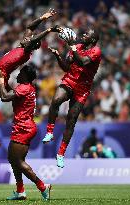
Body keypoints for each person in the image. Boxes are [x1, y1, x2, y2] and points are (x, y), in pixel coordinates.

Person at [0, 8, 59, 156]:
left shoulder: (26, 52)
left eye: (30, 40)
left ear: (32, 46)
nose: (27, 38)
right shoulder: (23, 45)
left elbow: (33, 39)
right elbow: (29, 28)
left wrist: (49, 30)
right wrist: (42, 18)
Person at [42, 27, 102, 168]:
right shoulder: (77, 46)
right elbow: (66, 68)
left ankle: (61, 153)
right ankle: (49, 132)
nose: (84, 34)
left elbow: (82, 62)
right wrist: (58, 56)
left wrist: (72, 46)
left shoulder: (96, 51)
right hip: (70, 80)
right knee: (56, 100)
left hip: (82, 88)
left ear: (92, 40)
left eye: (87, 34)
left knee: (71, 119)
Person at [0, 65, 52, 201]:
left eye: (21, 73)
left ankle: (42, 186)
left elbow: (4, 97)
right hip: (25, 126)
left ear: (26, 75)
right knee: (13, 159)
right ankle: (20, 191)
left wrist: (1, 80)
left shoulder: (24, 87)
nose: (18, 75)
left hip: (23, 127)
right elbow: (12, 93)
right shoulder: (29, 88)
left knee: (18, 161)